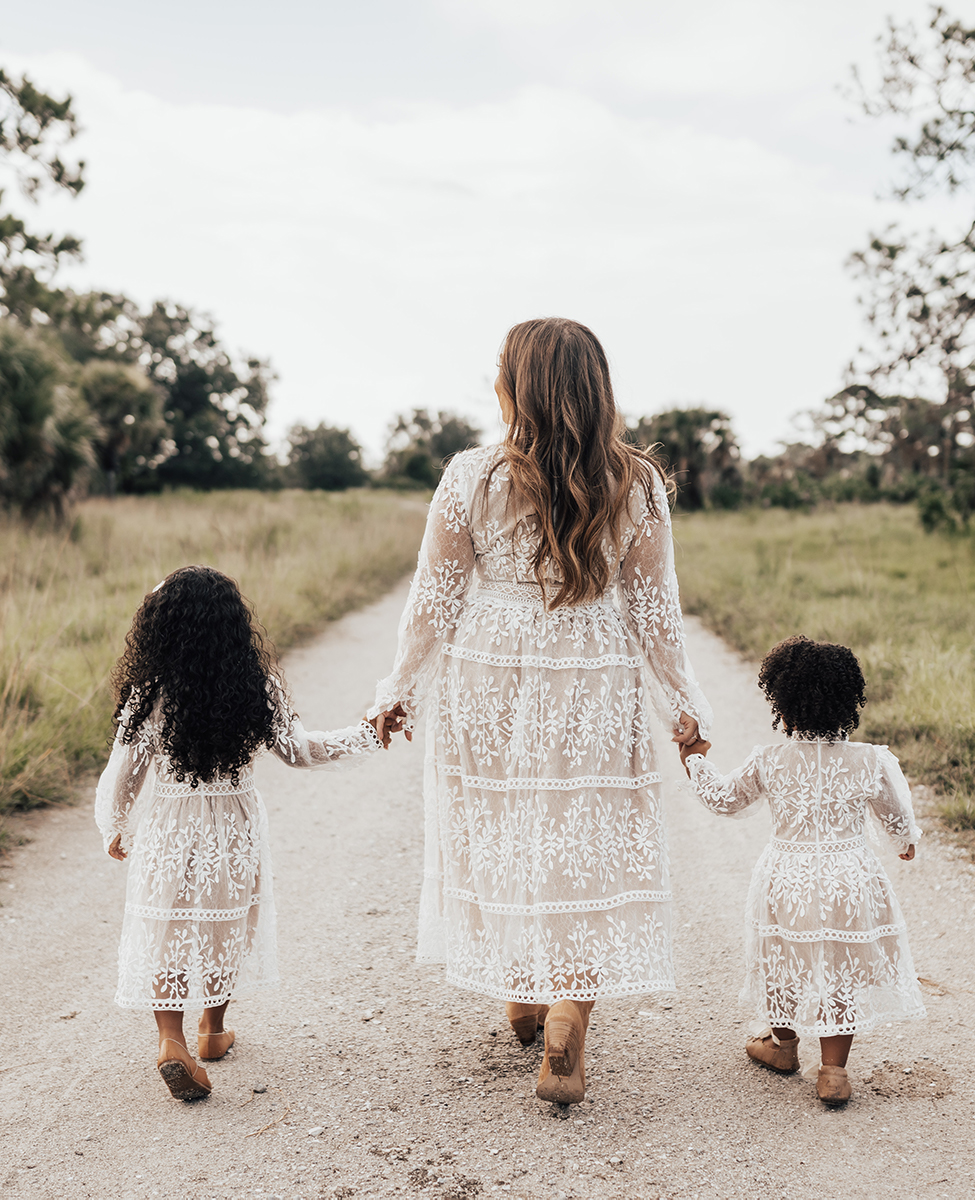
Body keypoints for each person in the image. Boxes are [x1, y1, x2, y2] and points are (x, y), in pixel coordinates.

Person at [368, 317, 712, 1105]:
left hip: (488, 666)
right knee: (580, 834)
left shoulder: (470, 475)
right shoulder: (638, 482)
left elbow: (434, 597)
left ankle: (522, 990)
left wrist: (398, 687)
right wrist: (681, 706)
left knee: (500, 823)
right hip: (591, 663)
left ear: (514, 387)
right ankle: (565, 1012)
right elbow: (657, 611)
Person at [96, 565, 383, 1101]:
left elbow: (126, 771)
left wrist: (114, 826)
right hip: (234, 825)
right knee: (226, 924)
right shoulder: (253, 682)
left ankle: (169, 1041)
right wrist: (367, 735)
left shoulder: (149, 689)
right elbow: (301, 751)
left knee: (171, 932)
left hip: (170, 823)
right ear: (233, 626)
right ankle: (212, 1030)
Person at [677, 635, 924, 1108]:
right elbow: (896, 816)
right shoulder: (869, 760)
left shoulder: (770, 760)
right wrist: (905, 842)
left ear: (783, 705)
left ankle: (782, 1045)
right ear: (850, 704)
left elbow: (723, 800)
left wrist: (695, 759)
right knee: (840, 971)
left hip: (787, 877)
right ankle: (833, 1072)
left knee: (782, 961)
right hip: (848, 877)